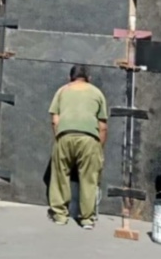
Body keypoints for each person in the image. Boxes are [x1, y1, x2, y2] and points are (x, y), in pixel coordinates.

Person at [47, 64, 108, 229]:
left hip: (65, 135)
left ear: (70, 77)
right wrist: (99, 148)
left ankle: (60, 215)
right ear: (89, 78)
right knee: (89, 178)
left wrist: (59, 138)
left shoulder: (62, 91)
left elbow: (55, 120)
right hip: (89, 139)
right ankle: (87, 219)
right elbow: (103, 126)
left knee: (60, 175)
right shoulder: (97, 93)